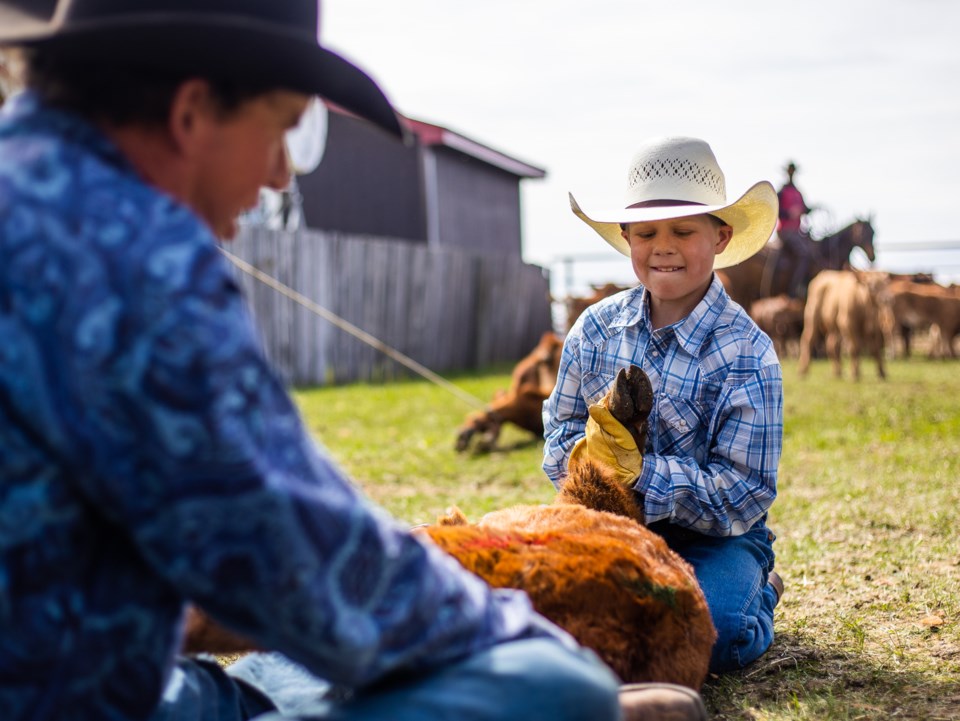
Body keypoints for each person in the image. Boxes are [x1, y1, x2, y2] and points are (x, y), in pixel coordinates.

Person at [0, 3, 638, 720]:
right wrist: (512, 634)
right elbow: (285, 546)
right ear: (191, 112)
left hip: (64, 659)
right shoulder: (133, 254)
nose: (278, 177)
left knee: (223, 682)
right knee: (558, 687)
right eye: (281, 131)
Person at [546, 136, 785, 677]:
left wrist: (642, 476)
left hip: (716, 539)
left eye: (684, 231)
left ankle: (760, 597)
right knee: (561, 616)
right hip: (610, 522)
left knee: (711, 635)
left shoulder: (748, 353)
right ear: (626, 237)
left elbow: (746, 491)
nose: (664, 247)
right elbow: (557, 430)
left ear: (721, 236)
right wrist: (589, 461)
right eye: (647, 233)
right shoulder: (594, 330)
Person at [777, 161, 816, 299]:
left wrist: (811, 209)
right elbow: (775, 211)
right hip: (786, 232)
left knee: (814, 252)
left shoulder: (798, 193)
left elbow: (804, 209)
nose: (791, 174)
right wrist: (789, 214)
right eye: (790, 171)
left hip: (798, 232)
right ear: (787, 173)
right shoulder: (781, 192)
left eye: (793, 172)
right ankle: (794, 290)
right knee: (803, 254)